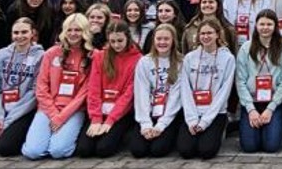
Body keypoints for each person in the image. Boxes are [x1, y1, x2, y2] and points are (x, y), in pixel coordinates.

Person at [21, 13, 93, 160]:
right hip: (49, 108)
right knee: (32, 152)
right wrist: (54, 114)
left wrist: (62, 116)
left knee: (58, 151)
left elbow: (84, 93)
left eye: (78, 30)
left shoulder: (92, 56)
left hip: (73, 109)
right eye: (69, 30)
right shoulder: (51, 53)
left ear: (85, 32)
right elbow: (41, 87)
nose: (73, 34)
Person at [0, 18, 44, 157]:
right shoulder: (2, 54)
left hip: (24, 109)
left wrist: (10, 119)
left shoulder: (41, 55)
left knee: (7, 148)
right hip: (3, 106)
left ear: (32, 33)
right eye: (16, 33)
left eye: (24, 32)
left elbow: (34, 92)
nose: (20, 36)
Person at [77, 20, 140, 158]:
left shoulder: (137, 59)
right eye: (112, 41)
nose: (116, 45)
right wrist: (96, 119)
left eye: (120, 40)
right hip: (99, 110)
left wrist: (110, 120)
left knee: (103, 149)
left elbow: (128, 95)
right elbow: (94, 89)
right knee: (83, 150)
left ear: (128, 38)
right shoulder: (100, 57)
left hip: (120, 113)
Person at [178, 19, 236, 159]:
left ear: (217, 35)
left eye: (209, 33)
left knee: (206, 151)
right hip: (193, 111)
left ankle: (221, 130)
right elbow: (185, 89)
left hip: (215, 112)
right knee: (186, 151)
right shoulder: (189, 58)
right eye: (202, 33)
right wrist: (192, 119)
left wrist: (205, 121)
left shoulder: (228, 58)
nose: (206, 36)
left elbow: (224, 92)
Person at [236, 10, 282, 153]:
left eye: (269, 24)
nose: (265, 27)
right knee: (249, 147)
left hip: (273, 102)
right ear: (256, 25)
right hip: (251, 102)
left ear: (275, 26)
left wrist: (270, 108)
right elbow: (240, 80)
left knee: (271, 147)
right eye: (262, 24)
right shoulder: (246, 48)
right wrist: (250, 109)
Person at [130, 23, 184, 158]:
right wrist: (145, 124)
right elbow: (141, 93)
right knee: (138, 150)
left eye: (166, 39)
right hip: (148, 112)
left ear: (173, 41)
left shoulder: (181, 62)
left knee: (158, 150)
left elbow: (175, 97)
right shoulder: (144, 62)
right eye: (159, 39)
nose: (162, 42)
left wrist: (161, 125)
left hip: (169, 114)